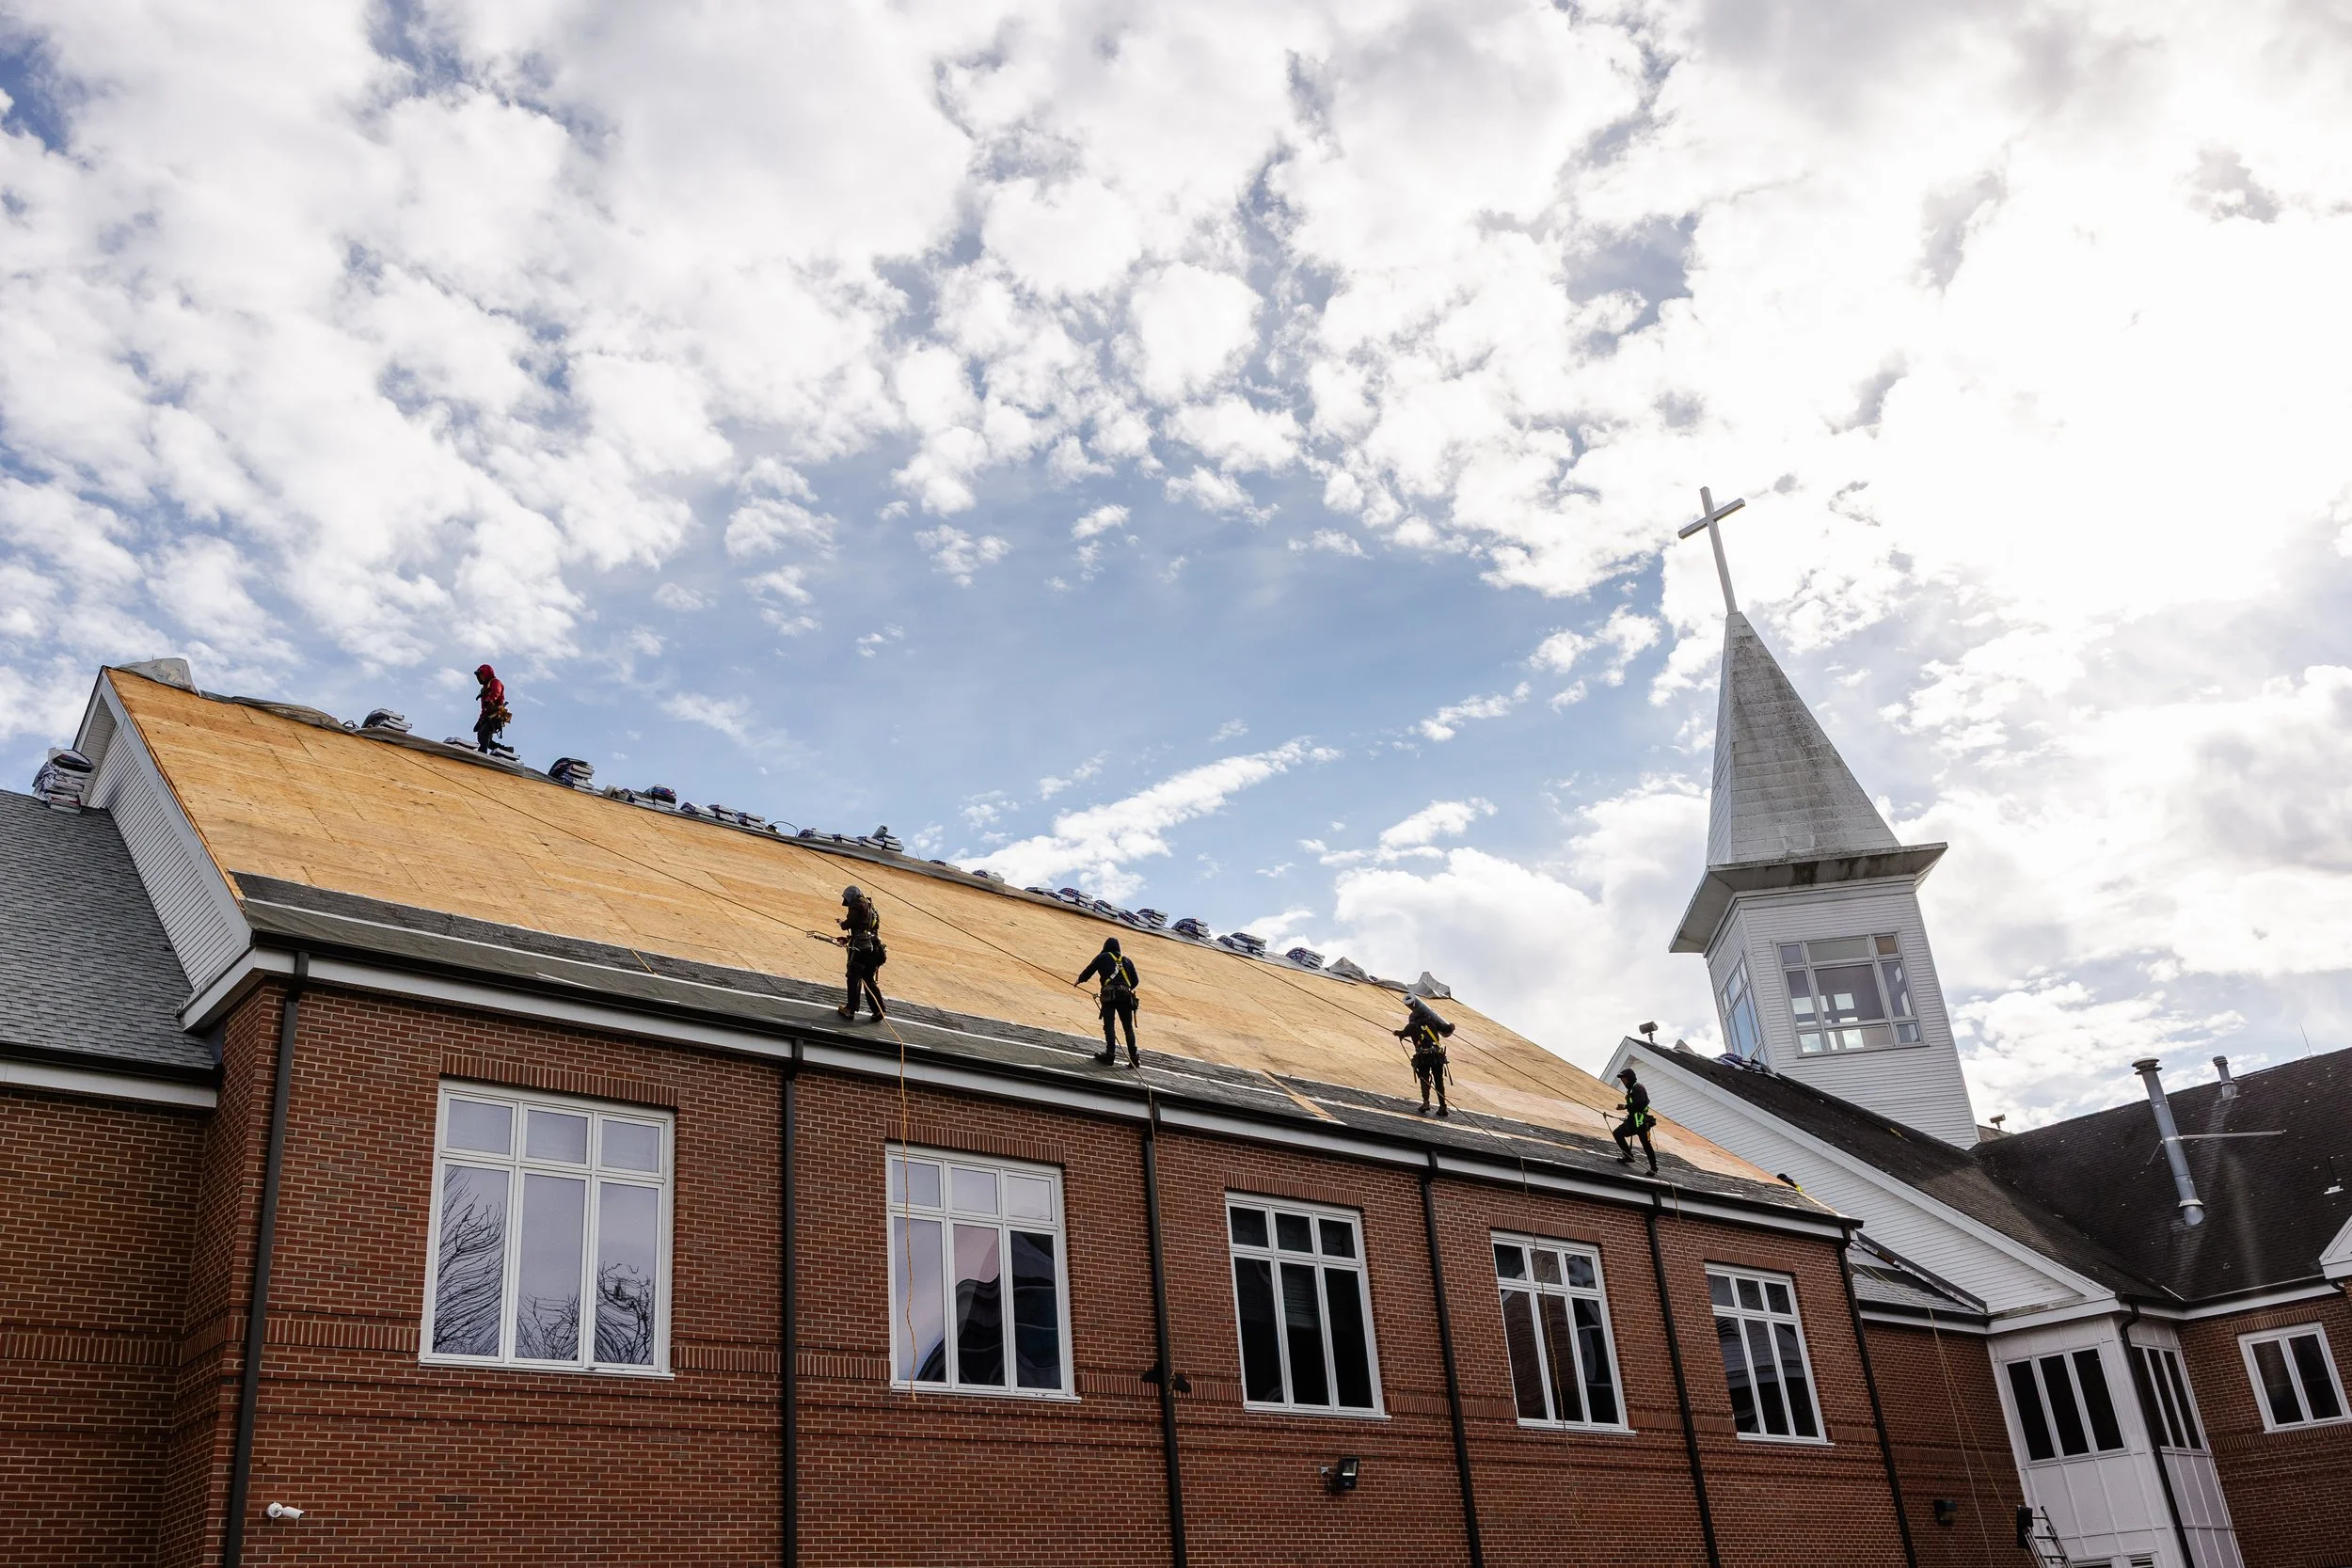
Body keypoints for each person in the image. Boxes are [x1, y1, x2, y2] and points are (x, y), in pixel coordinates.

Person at [1074, 937, 1141, 1068]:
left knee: (1109, 1025)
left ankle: (1110, 1055)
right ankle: (1134, 1058)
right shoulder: (1127, 961)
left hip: (1109, 996)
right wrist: (1124, 988)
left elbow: (1090, 970)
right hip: (1126, 997)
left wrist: (1079, 980)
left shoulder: (1103, 957)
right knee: (1128, 1028)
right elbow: (1136, 981)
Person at [1395, 994, 1454, 1117]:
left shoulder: (1411, 1026)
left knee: (1424, 1079)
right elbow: (1447, 1028)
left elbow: (1401, 1033)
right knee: (1439, 1081)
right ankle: (1443, 1107)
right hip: (1437, 1056)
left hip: (1422, 1057)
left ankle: (1426, 1102)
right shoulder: (1432, 1021)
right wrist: (1452, 1026)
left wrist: (1396, 1033)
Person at [835, 885, 886, 1022]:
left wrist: (842, 924)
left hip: (860, 949)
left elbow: (850, 923)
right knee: (869, 980)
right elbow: (866, 929)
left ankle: (850, 1009)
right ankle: (878, 1010)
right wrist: (848, 939)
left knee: (853, 977)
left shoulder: (857, 905)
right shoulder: (871, 907)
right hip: (874, 948)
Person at [1613, 1066, 1657, 1173]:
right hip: (1633, 1121)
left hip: (1641, 1122)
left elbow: (1640, 1103)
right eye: (1622, 1080)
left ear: (1630, 1078)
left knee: (1646, 1144)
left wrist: (1625, 1106)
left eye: (1625, 1079)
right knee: (1618, 1133)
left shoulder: (1638, 1088)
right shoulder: (1631, 1089)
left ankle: (1654, 1168)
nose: (1623, 1082)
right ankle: (1628, 1156)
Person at [472, 664, 512, 754]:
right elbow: (484, 709)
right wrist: (480, 720)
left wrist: (490, 699)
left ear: (486, 674)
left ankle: (482, 753)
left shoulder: (495, 682)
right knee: (482, 737)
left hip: (496, 715)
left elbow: (496, 692)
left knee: (485, 732)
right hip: (488, 715)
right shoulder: (484, 689)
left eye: (481, 675)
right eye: (478, 676)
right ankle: (506, 750)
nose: (480, 677)